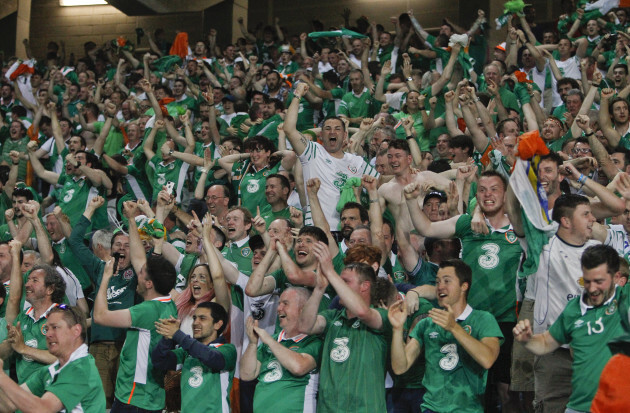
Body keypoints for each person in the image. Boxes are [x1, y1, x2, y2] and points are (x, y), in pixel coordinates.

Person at [513, 245, 624, 413]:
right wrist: (528, 339)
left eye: (599, 281)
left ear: (616, 277)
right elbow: (545, 343)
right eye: (587, 281)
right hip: (581, 405)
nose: (592, 288)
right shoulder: (575, 308)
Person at [93, 201, 177, 412]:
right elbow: (140, 258)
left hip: (134, 397)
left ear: (149, 283)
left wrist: (105, 278)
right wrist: (131, 219)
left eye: (141, 274)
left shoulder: (147, 311)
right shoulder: (168, 303)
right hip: (149, 395)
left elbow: (101, 316)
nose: (137, 274)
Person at [389, 259, 503, 412]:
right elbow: (400, 367)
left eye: (447, 281)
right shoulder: (427, 323)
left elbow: (487, 359)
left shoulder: (483, 319)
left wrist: (454, 328)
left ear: (464, 286)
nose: (440, 286)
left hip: (468, 409)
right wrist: (397, 329)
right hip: (431, 408)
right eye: (437, 282)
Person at [298, 242, 394, 413]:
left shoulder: (383, 317)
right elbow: (305, 326)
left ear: (365, 286)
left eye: (345, 282)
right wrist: (319, 289)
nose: (338, 286)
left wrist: (330, 271)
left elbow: (362, 312)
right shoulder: (332, 317)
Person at [283, 82, 378, 230]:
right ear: (321, 134)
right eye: (327, 129)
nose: (332, 132)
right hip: (316, 230)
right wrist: (297, 95)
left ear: (345, 134)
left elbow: (380, 181)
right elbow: (289, 129)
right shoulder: (312, 151)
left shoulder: (356, 161)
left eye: (337, 129)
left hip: (348, 231)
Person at [0, 305, 106, 412]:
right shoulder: (49, 371)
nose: (48, 334)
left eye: (55, 327)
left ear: (76, 331)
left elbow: (43, 409)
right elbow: (8, 405)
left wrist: (1, 376)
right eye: (47, 329)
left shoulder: (81, 369)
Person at [240, 287, 323, 413]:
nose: (279, 309)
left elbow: (299, 367)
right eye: (279, 304)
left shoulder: (314, 341)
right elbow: (247, 375)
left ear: (303, 310)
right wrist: (252, 343)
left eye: (285, 304)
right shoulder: (273, 341)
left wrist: (268, 340)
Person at [151, 302, 237, 413]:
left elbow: (212, 358)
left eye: (202, 318)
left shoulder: (227, 350)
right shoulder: (186, 352)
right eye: (195, 318)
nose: (195, 323)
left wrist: (178, 334)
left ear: (217, 324)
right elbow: (159, 361)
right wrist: (167, 338)